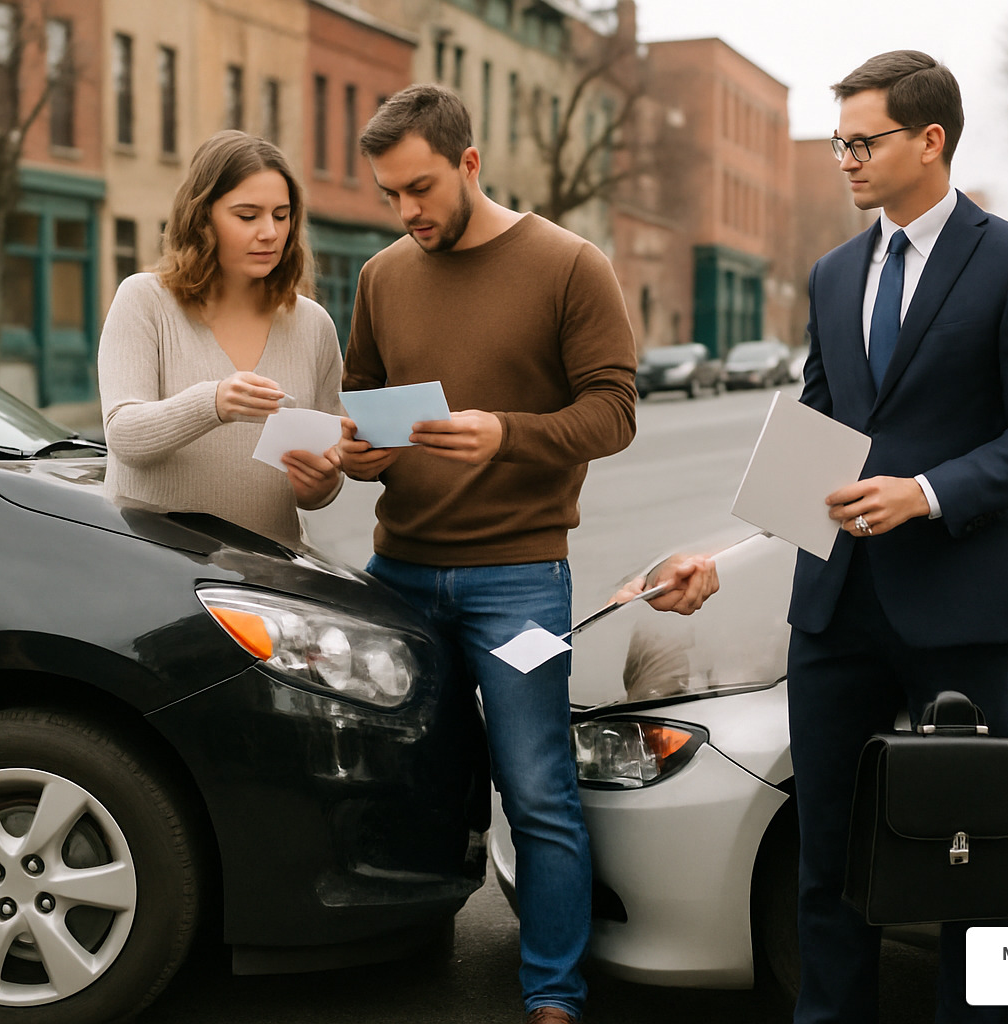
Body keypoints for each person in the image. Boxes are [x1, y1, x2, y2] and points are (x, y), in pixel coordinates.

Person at [339, 84, 715, 1024]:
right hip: (400, 576)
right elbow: (360, 401)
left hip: (520, 583)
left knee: (538, 787)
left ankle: (553, 994)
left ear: (469, 164)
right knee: (402, 782)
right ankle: (399, 954)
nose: (407, 212)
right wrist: (359, 451)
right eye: (391, 195)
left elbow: (615, 412)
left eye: (420, 188)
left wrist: (506, 433)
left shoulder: (569, 265)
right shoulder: (383, 276)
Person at [788, 51, 1008, 1023]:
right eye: (839, 143)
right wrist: (727, 549)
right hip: (832, 611)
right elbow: (817, 426)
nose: (846, 160)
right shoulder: (833, 275)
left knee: (966, 865)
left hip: (957, 607)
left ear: (930, 139)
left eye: (862, 141)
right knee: (825, 859)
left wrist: (925, 492)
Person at [98, 130, 343, 546]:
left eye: (281, 216)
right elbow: (124, 435)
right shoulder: (143, 300)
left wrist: (320, 485)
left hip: (269, 578)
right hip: (154, 566)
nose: (269, 232)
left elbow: (327, 466)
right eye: (247, 216)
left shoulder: (313, 324)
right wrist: (213, 402)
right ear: (202, 218)